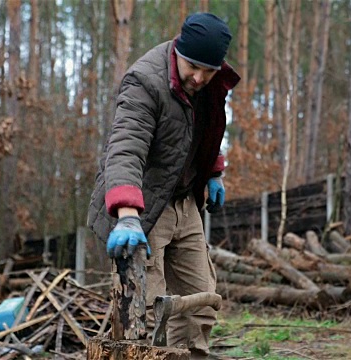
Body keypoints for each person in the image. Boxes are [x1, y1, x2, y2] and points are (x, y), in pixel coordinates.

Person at [87, 12, 239, 359]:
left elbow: (206, 130)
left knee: (200, 298)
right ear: (177, 51)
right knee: (145, 310)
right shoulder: (144, 81)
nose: (199, 77)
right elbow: (125, 149)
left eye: (208, 70)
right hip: (142, 205)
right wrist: (127, 214)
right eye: (192, 67)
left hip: (186, 203)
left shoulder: (211, 84)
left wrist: (214, 171)